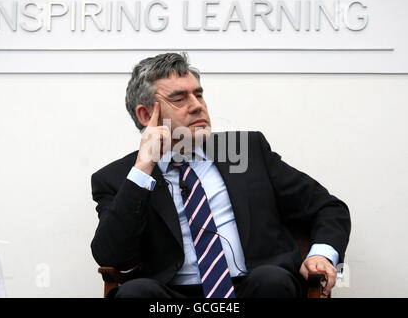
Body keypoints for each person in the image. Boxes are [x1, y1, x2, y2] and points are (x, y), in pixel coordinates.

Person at [90, 53, 351, 298]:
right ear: (147, 115)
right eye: (179, 99)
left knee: (271, 280)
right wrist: (144, 168)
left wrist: (322, 255)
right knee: (136, 293)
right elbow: (112, 255)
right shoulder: (118, 178)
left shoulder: (246, 152)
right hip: (174, 296)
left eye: (199, 95)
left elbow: (328, 208)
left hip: (253, 288)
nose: (197, 107)